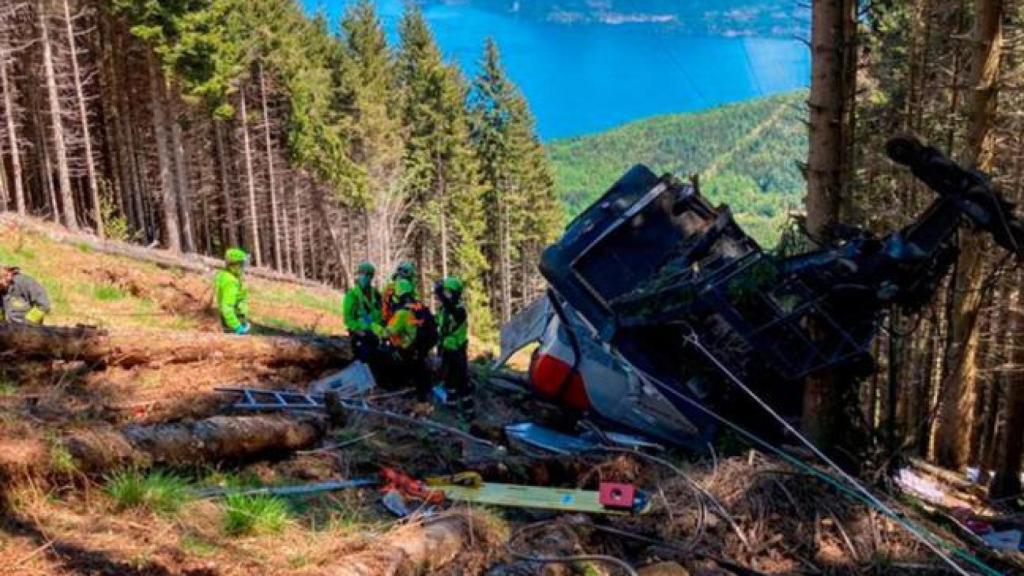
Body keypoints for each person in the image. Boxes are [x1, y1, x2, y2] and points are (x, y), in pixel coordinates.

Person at [383, 279, 437, 404]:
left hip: (409, 348)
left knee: (390, 357)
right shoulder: (419, 306)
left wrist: (374, 327)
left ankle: (417, 397)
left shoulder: (401, 310)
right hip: (422, 345)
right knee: (420, 368)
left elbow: (389, 332)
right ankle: (423, 390)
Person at [435, 277, 471, 413]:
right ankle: (452, 407)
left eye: (448, 292)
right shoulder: (443, 310)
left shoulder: (460, 310)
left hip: (458, 350)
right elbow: (439, 326)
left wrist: (440, 294)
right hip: (446, 350)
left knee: (462, 380)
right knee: (449, 380)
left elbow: (454, 314)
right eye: (445, 292)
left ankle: (469, 411)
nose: (446, 295)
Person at [343, 262, 383, 364]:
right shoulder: (352, 295)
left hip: (377, 334)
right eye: (361, 274)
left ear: (371, 277)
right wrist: (360, 331)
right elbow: (348, 320)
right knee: (365, 360)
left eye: (367, 275)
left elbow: (382, 313)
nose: (364, 277)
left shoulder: (376, 294)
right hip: (361, 335)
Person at [214, 248, 251, 334]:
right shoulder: (230, 281)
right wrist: (237, 327)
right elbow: (227, 307)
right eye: (241, 265)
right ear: (234, 265)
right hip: (234, 320)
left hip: (235, 318)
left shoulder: (229, 276)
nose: (243, 268)